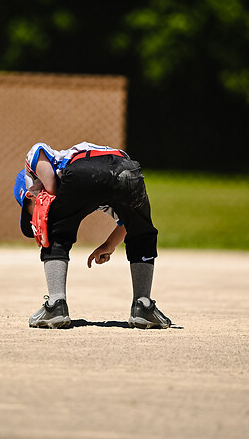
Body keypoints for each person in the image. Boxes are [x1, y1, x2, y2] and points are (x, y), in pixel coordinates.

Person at [14, 141, 171, 329]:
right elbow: (125, 224)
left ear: (30, 184)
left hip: (82, 168)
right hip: (127, 171)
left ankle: (56, 304)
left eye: (31, 203)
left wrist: (48, 192)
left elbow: (39, 151)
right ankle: (142, 305)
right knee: (141, 230)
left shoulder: (39, 162)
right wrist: (109, 245)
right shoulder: (94, 193)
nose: (36, 213)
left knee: (54, 229)